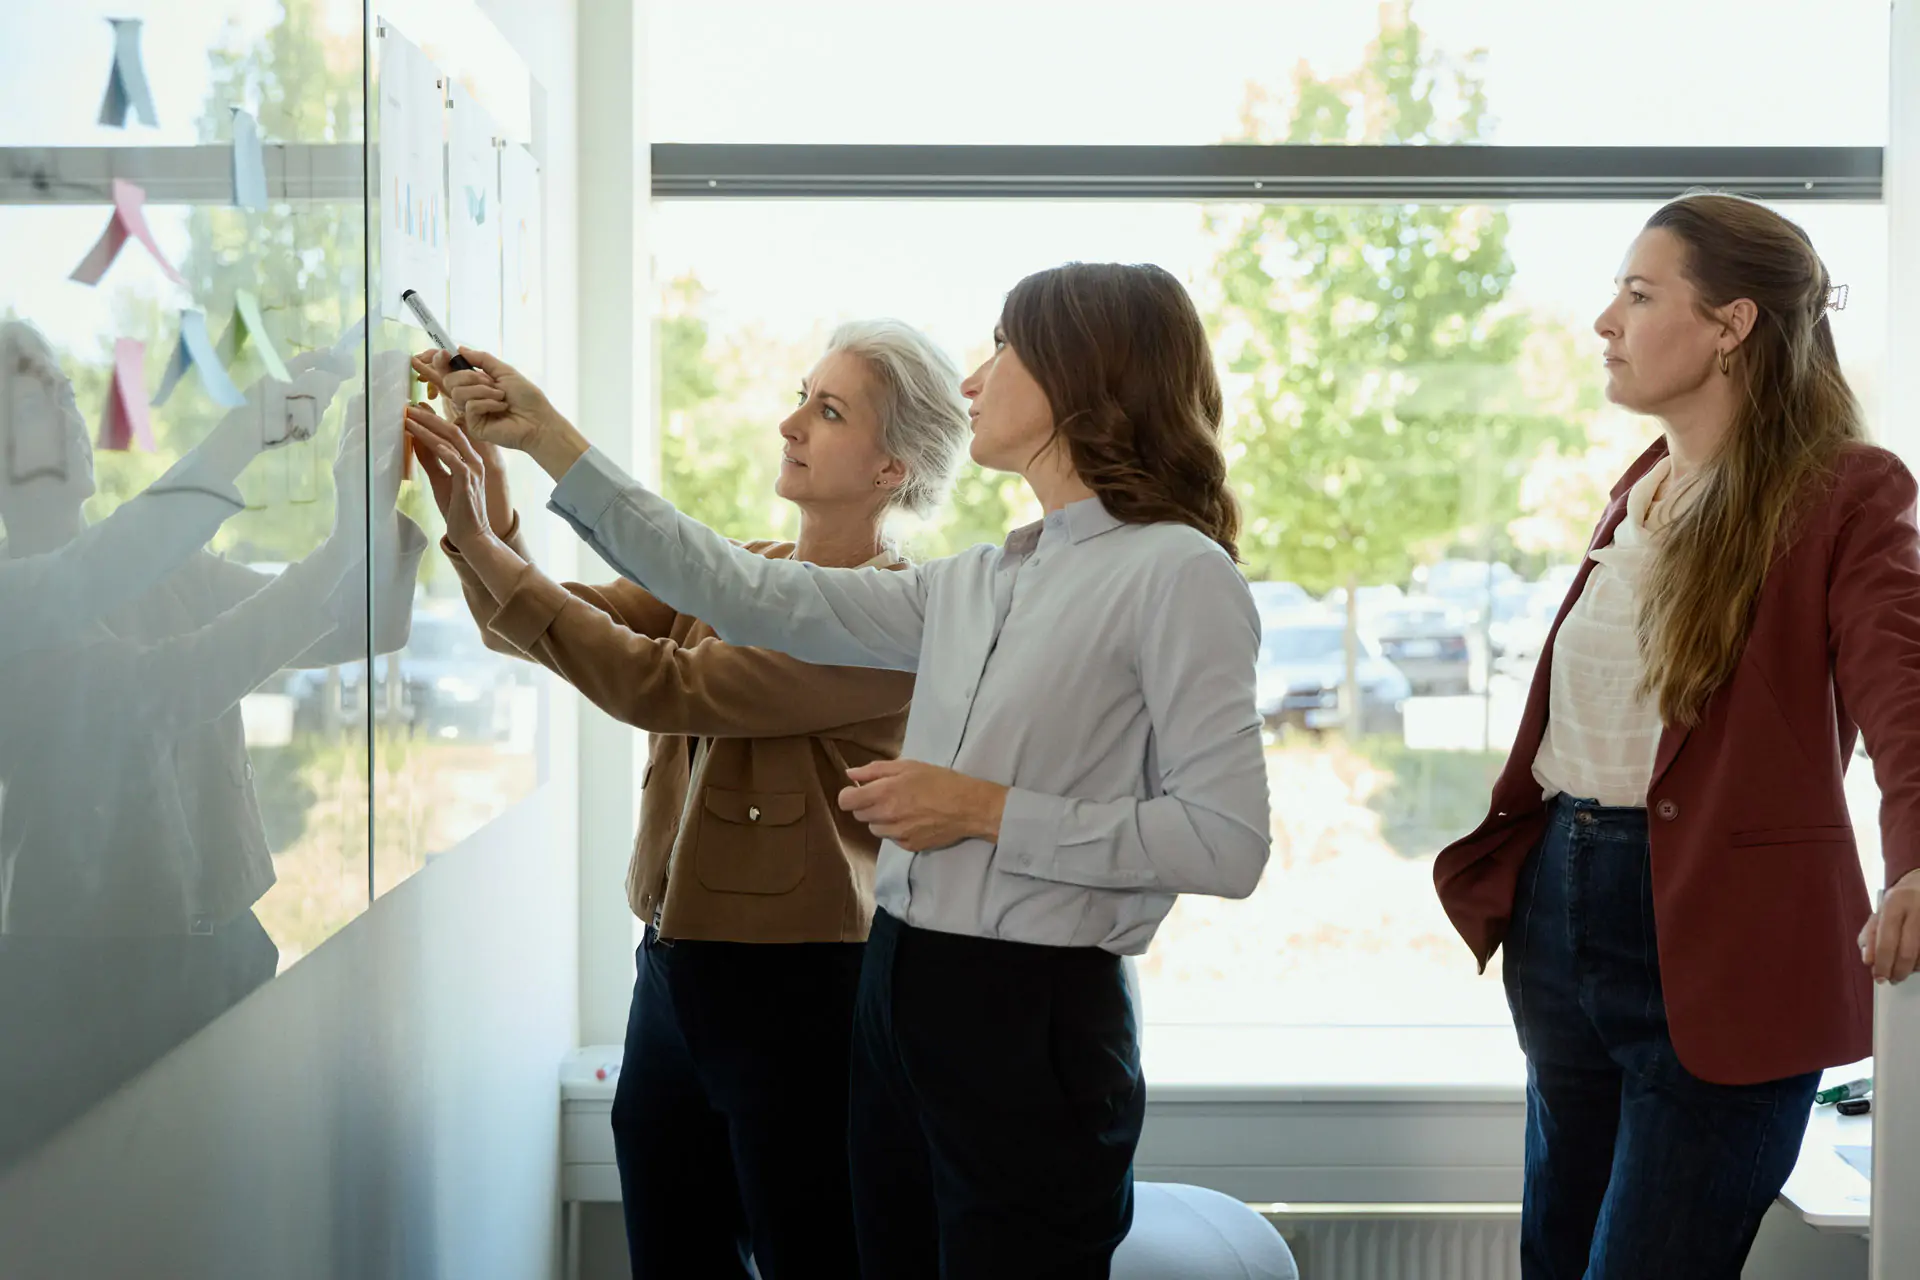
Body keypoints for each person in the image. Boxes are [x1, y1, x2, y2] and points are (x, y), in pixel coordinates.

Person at [412, 261, 1272, 1279]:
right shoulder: (985, 580)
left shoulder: (1178, 571)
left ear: (1084, 378)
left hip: (1026, 1008)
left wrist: (986, 807)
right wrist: (540, 434)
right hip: (900, 988)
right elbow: (723, 582)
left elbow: (1228, 840)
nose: (972, 381)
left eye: (1004, 349)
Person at [409, 319, 969, 1280]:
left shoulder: (890, 623)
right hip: (673, 973)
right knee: (674, 1252)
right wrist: (482, 516)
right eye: (802, 393)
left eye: (828, 411)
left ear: (894, 469)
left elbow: (659, 684)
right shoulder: (743, 573)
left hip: (798, 990)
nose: (789, 422)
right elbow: (545, 624)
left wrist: (491, 537)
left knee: (812, 1252)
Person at [1433, 192, 1920, 1280]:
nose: (1606, 320)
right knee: (1556, 1255)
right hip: (1563, 904)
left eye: (1640, 294)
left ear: (1733, 324)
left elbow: (1905, 691)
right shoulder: (1639, 487)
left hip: (1729, 933)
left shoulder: (1846, 488)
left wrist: (1917, 861)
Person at [0, 336, 425, 1169]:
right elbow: (171, 688)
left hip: (218, 943)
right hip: (87, 980)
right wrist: (324, 518)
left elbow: (362, 623)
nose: (71, 415)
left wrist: (371, 493)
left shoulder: (165, 572)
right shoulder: (22, 603)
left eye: (67, 393)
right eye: (34, 401)